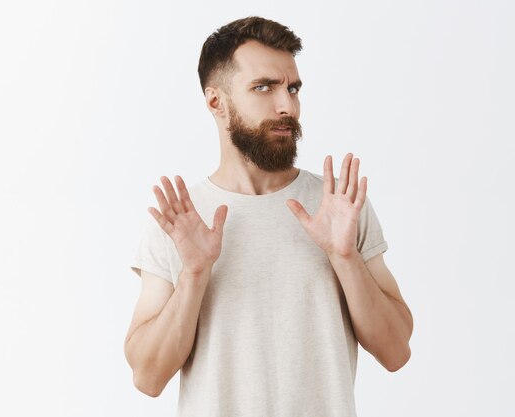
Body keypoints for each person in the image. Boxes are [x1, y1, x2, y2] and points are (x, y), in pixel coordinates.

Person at [124, 16, 413, 417]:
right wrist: (193, 275)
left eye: (292, 88)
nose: (286, 106)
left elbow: (397, 351)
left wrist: (344, 258)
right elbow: (148, 377)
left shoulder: (338, 205)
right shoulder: (180, 219)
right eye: (264, 87)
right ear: (216, 103)